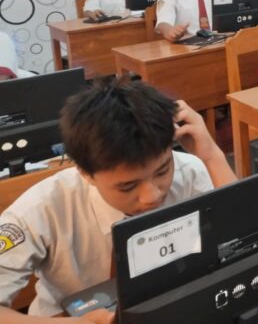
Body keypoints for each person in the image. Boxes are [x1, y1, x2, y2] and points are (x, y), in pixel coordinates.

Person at [0, 79, 237, 322]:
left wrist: (212, 156)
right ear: (85, 172)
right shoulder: (43, 208)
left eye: (162, 171)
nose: (152, 196)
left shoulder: (189, 172)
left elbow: (241, 240)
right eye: (128, 186)